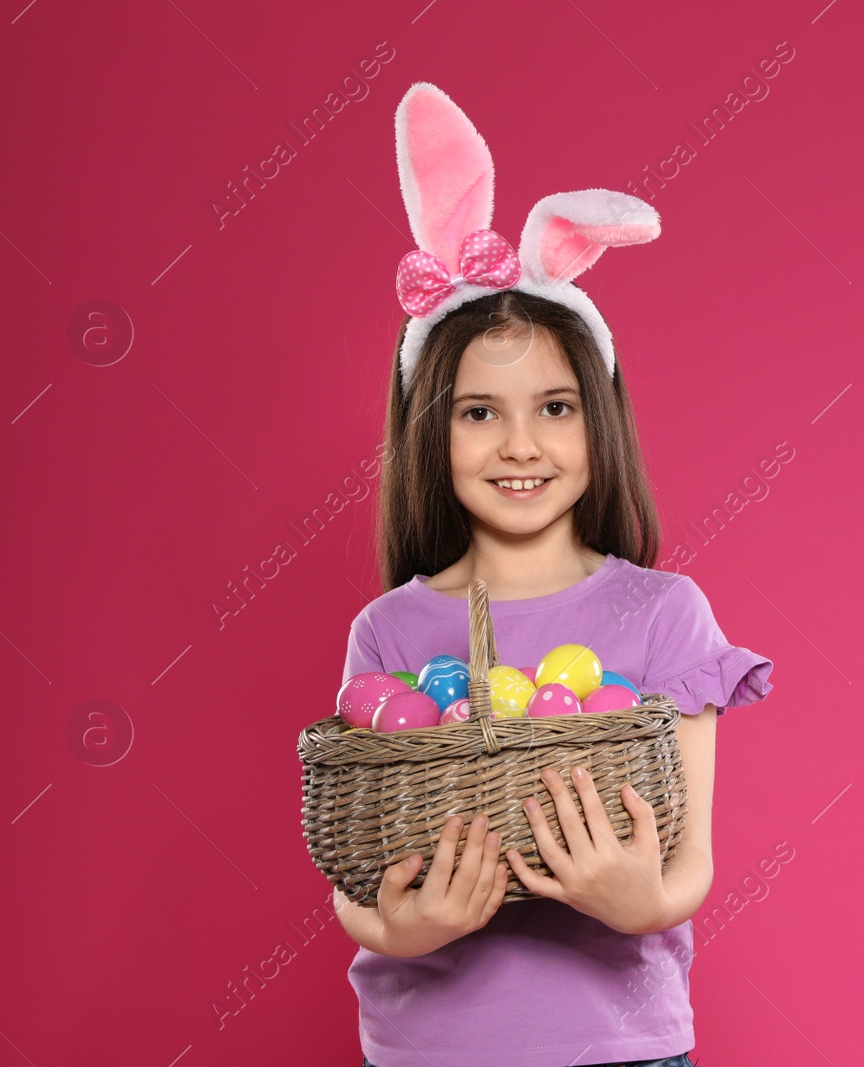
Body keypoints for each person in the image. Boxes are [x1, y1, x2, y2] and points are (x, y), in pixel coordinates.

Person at [330, 82, 774, 1067]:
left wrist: (641, 900)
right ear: (429, 430)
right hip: (426, 1048)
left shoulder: (663, 612)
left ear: (598, 420)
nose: (519, 442)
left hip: (619, 1047)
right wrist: (404, 928)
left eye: (557, 407)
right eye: (478, 410)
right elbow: (357, 873)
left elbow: (689, 854)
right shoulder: (391, 631)